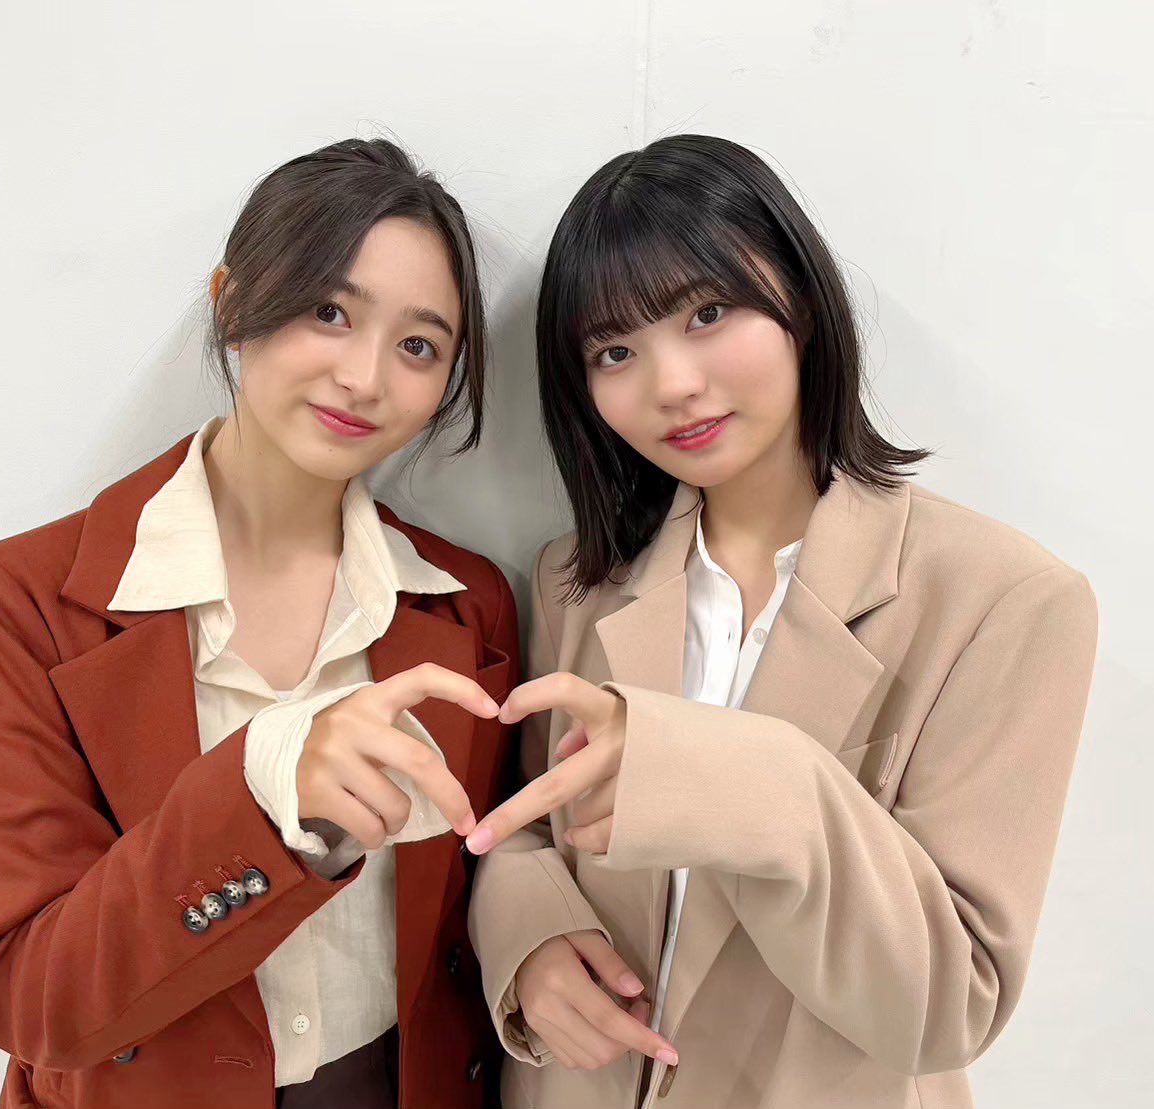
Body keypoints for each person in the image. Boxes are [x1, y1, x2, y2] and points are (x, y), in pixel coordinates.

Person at [466, 134, 1098, 1109]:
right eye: (615, 351)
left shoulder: (1001, 600)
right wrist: (529, 939)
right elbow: (518, 825)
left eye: (707, 312)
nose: (672, 384)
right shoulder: (572, 582)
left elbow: (947, 1005)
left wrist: (740, 776)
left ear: (799, 296)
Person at [0, 138, 518, 1109]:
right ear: (231, 303)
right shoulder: (22, 600)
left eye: (418, 346)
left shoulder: (465, 602)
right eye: (329, 311)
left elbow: (487, 876)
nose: (365, 377)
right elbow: (25, 995)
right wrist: (263, 794)